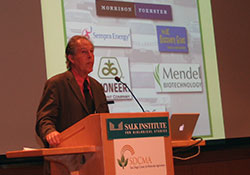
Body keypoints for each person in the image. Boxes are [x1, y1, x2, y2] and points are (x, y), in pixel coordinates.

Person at [36, 35, 109, 148]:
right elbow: (45, 119)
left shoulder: (97, 86)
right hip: (66, 155)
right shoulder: (57, 84)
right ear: (71, 58)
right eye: (84, 52)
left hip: (96, 154)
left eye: (91, 51)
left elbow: (104, 120)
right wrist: (50, 132)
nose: (90, 56)